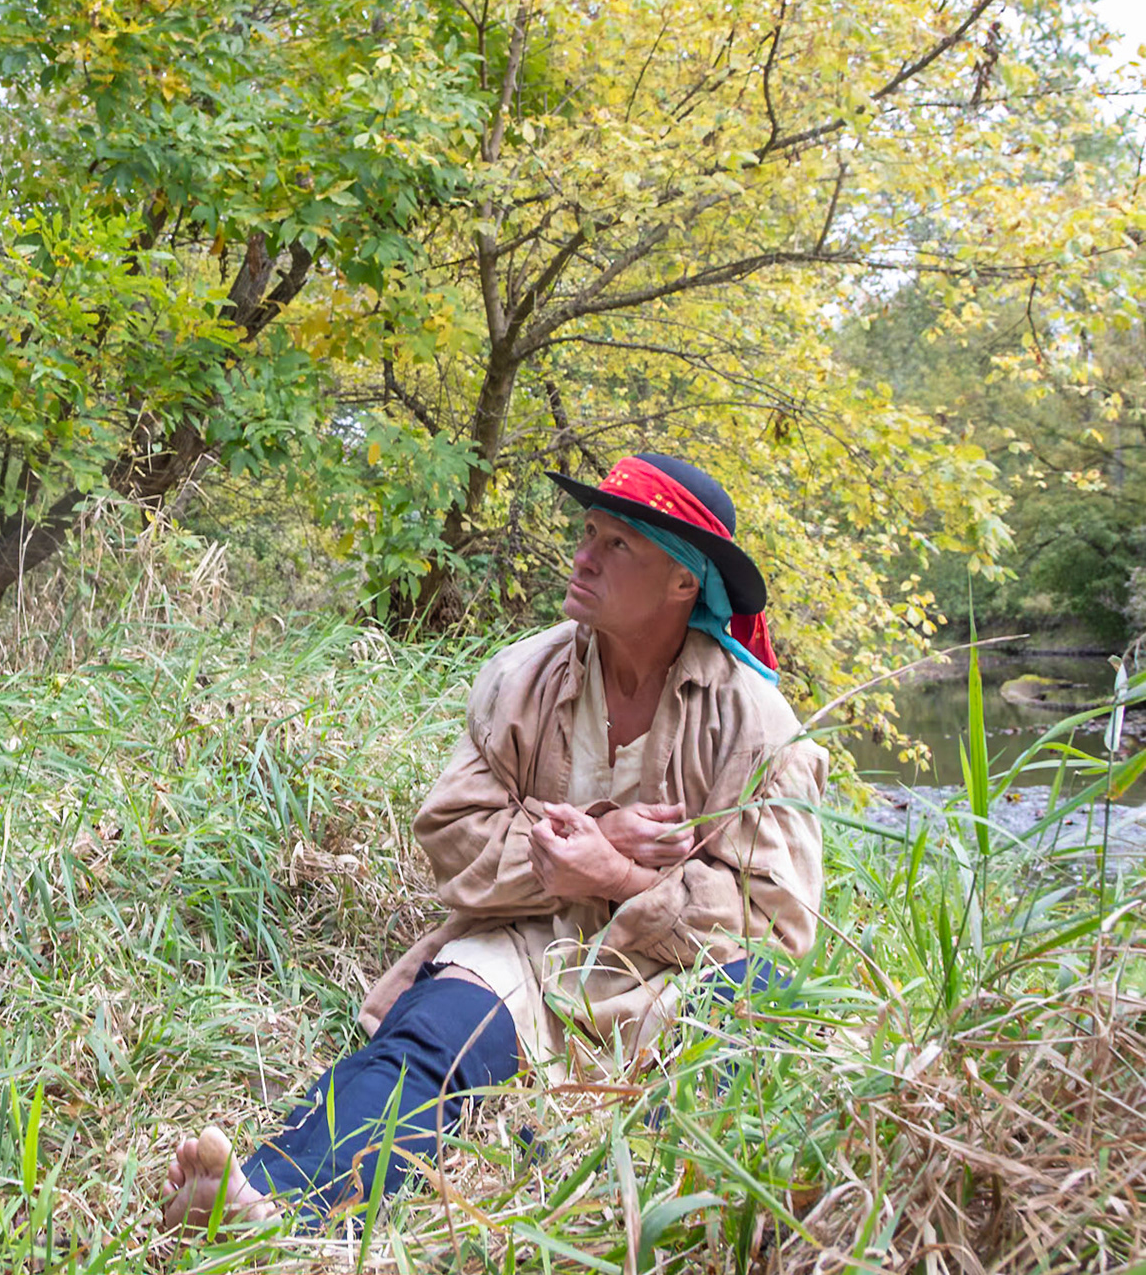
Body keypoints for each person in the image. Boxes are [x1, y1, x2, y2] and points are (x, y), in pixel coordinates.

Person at [162, 454, 826, 1230]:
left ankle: (636, 1213)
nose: (583, 556)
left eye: (617, 545)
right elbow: (453, 830)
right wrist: (579, 851)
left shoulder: (757, 726)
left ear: (685, 581)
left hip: (674, 975)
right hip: (529, 945)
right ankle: (268, 1205)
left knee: (747, 1014)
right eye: (588, 531)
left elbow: (775, 924)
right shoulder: (524, 675)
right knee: (431, 1038)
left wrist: (617, 875)